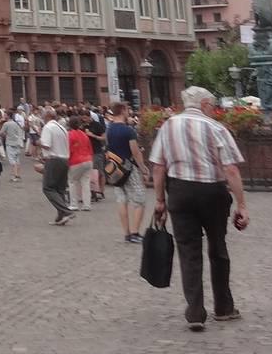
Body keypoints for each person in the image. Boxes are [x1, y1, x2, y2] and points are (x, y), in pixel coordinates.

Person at [149, 86, 248, 332]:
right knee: (218, 247)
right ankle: (223, 306)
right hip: (212, 192)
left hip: (180, 192)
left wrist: (160, 199)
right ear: (204, 104)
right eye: (212, 105)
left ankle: (195, 311)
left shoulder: (168, 126)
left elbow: (158, 167)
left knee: (188, 251)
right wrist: (242, 204)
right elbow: (231, 169)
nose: (213, 110)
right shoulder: (216, 128)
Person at [104, 102, 151, 244]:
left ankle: (126, 233)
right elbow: (135, 152)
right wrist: (143, 168)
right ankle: (135, 232)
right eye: (127, 109)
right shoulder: (128, 130)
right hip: (129, 168)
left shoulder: (109, 129)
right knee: (139, 200)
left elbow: (108, 147)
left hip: (114, 168)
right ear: (123, 110)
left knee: (121, 200)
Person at [37, 106, 74, 225]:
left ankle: (66, 211)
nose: (41, 117)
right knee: (60, 189)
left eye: (43, 115)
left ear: (47, 116)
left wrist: (38, 143)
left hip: (53, 159)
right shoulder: (62, 128)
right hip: (64, 159)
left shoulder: (48, 127)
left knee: (48, 187)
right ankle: (61, 216)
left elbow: (47, 145)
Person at [67, 116, 94, 211]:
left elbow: (68, 149)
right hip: (88, 159)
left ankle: (74, 204)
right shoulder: (84, 134)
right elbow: (90, 148)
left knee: (72, 182)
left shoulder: (69, 135)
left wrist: (67, 160)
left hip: (76, 161)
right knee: (85, 183)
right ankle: (87, 204)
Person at [3, 109, 26, 183]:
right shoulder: (16, 123)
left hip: (10, 143)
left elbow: (1, 132)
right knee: (17, 159)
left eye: (5, 114)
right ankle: (18, 174)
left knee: (12, 160)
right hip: (17, 143)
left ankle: (15, 175)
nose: (4, 115)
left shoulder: (6, 124)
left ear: (8, 115)